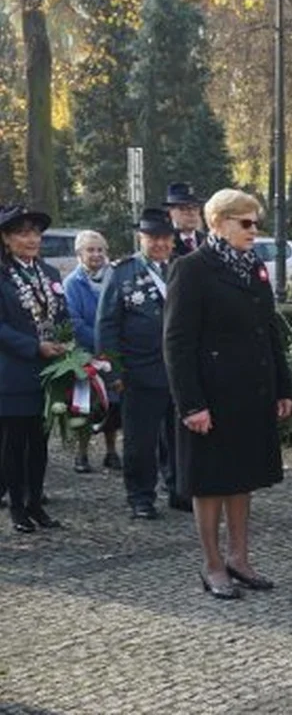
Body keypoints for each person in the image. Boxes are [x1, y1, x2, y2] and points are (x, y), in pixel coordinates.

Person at [164, 189, 292, 599]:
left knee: (242, 477)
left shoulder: (253, 268)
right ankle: (213, 564)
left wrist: (282, 386)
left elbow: (269, 329)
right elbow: (177, 342)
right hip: (211, 396)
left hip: (249, 393)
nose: (254, 230)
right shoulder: (192, 269)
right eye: (245, 222)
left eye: (255, 222)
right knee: (211, 482)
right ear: (218, 223)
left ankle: (240, 557)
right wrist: (191, 404)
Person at [97, 209, 189, 519]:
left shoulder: (182, 268)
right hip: (138, 372)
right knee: (140, 441)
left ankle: (179, 489)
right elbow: (106, 326)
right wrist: (113, 373)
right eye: (153, 238)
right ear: (141, 238)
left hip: (179, 372)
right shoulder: (122, 271)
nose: (160, 244)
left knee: (180, 437)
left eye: (165, 238)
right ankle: (140, 496)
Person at [0, 204, 69, 533]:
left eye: (35, 233)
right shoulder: (2, 275)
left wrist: (68, 344)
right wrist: (32, 346)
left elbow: (61, 314)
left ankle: (36, 503)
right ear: (6, 239)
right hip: (13, 371)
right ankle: (17, 508)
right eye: (22, 233)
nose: (32, 239)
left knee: (40, 443)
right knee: (14, 443)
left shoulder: (50, 273)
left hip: (48, 372)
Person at [63, 230, 121, 474]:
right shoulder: (71, 284)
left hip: (114, 355)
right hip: (86, 355)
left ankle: (111, 451)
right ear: (79, 253)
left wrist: (112, 348)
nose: (96, 255)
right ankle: (82, 453)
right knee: (85, 406)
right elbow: (74, 322)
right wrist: (99, 346)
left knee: (114, 405)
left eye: (100, 250)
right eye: (90, 250)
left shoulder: (115, 277)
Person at [165, 182, 206, 256]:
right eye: (184, 209)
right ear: (171, 212)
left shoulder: (207, 241)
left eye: (195, 208)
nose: (191, 213)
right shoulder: (165, 243)